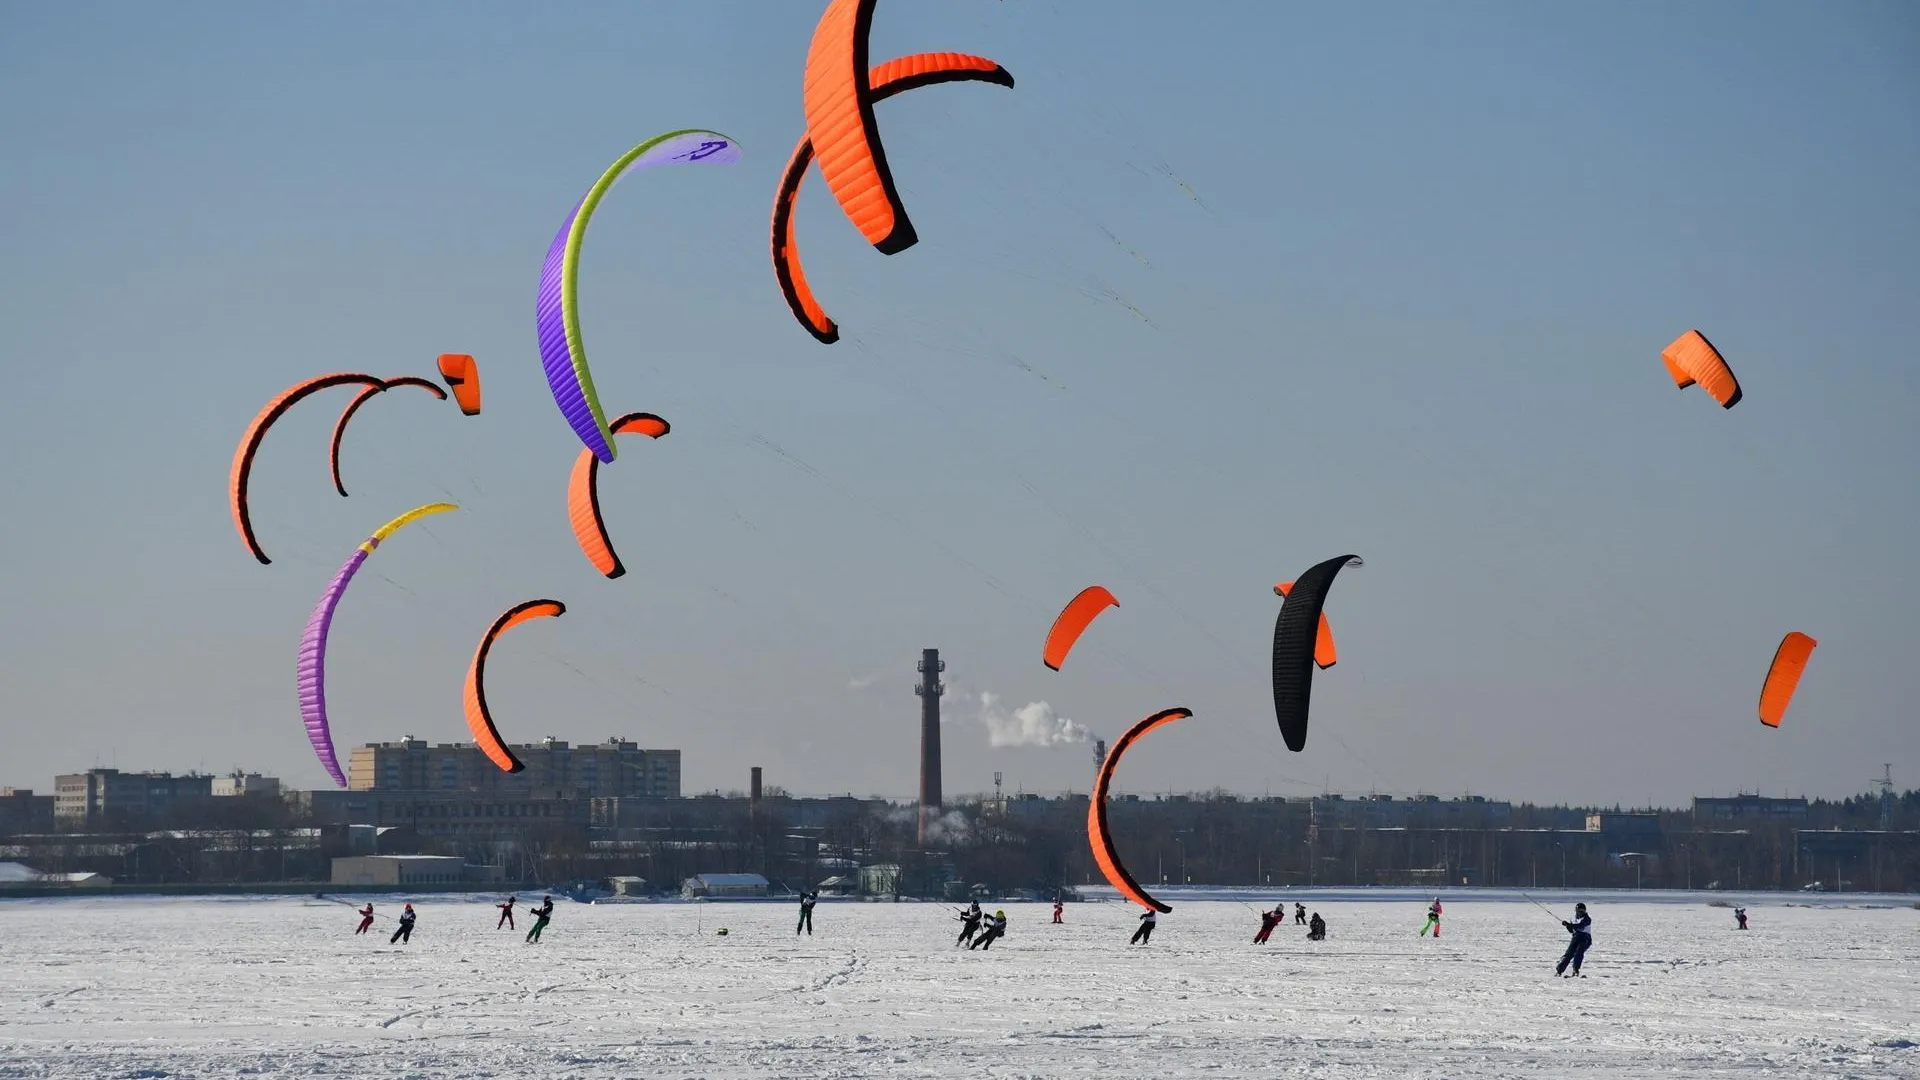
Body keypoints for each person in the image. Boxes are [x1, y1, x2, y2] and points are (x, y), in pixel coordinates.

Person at [1555, 902, 1592, 977]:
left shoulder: (1587, 919)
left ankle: (1575, 970)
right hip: (1575, 937)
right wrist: (1567, 926)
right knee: (1568, 954)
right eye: (1579, 911)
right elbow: (1572, 931)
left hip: (1585, 938)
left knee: (1578, 953)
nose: (1580, 913)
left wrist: (1570, 925)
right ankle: (1559, 971)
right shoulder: (1573, 918)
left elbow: (1581, 926)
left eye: (1582, 911)